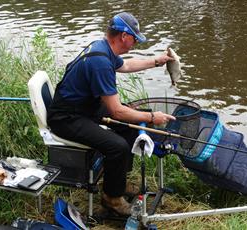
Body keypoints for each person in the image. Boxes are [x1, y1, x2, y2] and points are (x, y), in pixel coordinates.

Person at [47, 12, 175, 216]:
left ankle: (117, 183)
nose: (135, 43)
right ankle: (111, 198)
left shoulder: (104, 47)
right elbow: (116, 110)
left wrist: (156, 61)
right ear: (124, 36)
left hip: (83, 106)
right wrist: (152, 118)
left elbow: (126, 65)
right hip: (66, 117)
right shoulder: (100, 63)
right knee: (118, 146)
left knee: (131, 124)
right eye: (134, 38)